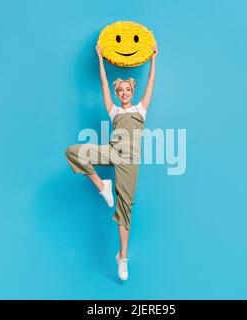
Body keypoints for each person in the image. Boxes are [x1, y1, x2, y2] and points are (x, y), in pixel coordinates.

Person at [65, 43, 158, 281]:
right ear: (118, 94)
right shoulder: (114, 111)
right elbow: (104, 84)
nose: (124, 93)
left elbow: (150, 84)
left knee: (125, 208)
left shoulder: (141, 109)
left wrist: (153, 59)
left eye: (127, 89)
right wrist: (99, 58)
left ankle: (122, 257)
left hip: (129, 162)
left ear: (132, 91)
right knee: (74, 151)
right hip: (111, 151)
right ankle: (101, 185)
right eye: (121, 91)